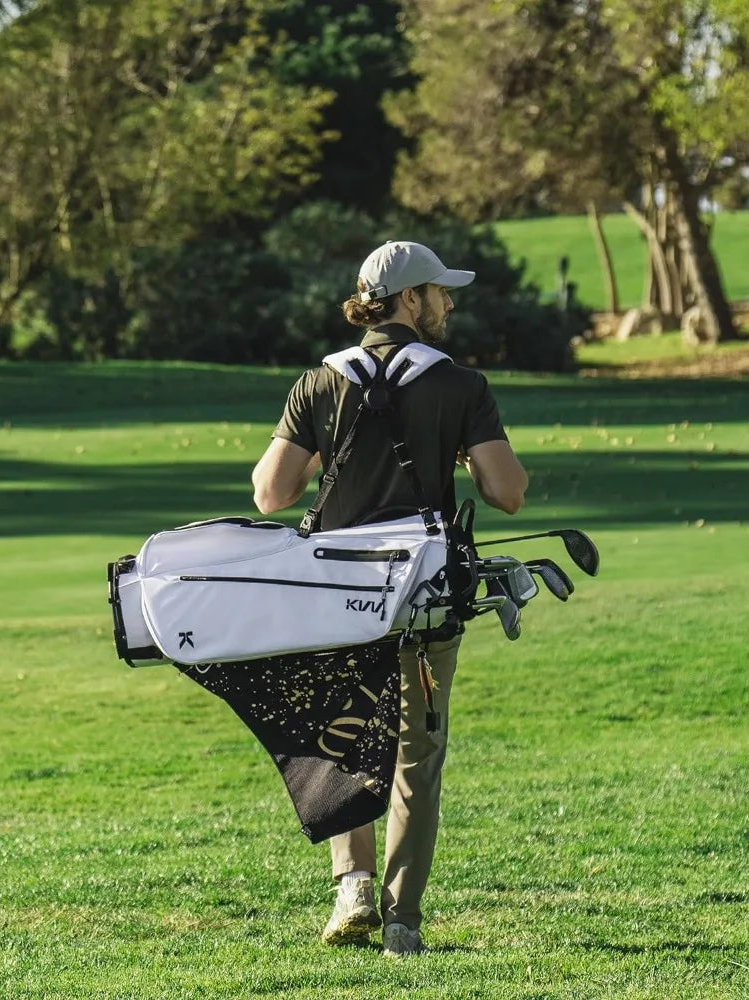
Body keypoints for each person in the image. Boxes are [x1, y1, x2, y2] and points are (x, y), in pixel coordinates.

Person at [251, 240, 528, 956]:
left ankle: (352, 887)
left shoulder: (319, 382)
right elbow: (508, 493)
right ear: (410, 299)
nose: (449, 303)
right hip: (424, 598)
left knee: (344, 741)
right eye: (440, 292)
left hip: (335, 598)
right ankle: (402, 924)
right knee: (415, 758)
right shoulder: (461, 385)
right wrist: (460, 449)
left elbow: (272, 493)